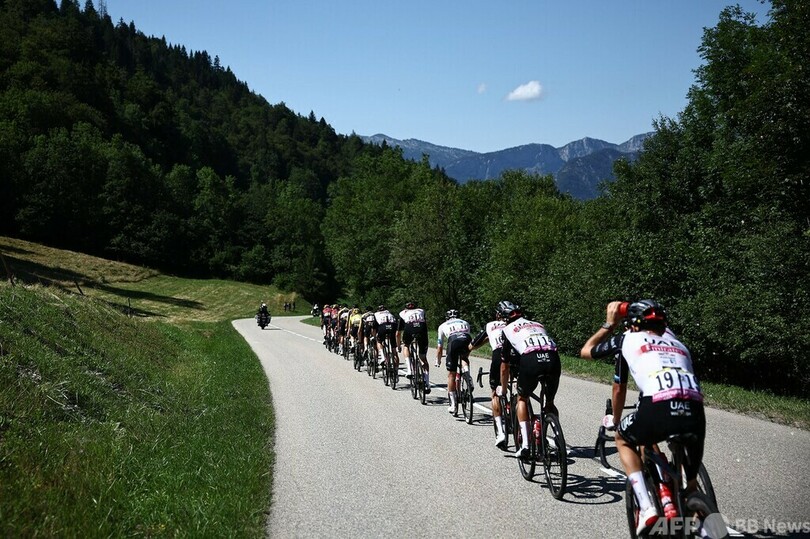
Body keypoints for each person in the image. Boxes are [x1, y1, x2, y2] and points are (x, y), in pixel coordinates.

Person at [580, 300, 706, 536]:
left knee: (623, 438)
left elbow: (586, 351)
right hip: (695, 408)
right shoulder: (678, 343)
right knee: (690, 489)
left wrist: (610, 324)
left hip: (658, 404)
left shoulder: (628, 337)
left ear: (634, 325)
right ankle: (704, 518)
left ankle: (647, 508)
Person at [498, 301, 561, 459]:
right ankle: (558, 440)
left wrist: (504, 389)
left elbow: (505, 365)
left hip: (531, 358)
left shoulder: (507, 330)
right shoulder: (538, 324)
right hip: (553, 358)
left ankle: (526, 445)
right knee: (549, 402)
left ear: (505, 319)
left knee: (522, 399)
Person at [469, 307, 508, 448]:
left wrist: (468, 350)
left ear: (497, 315)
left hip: (499, 355)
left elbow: (473, 344)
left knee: (495, 393)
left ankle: (500, 433)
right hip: (518, 355)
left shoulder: (490, 325)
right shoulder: (514, 324)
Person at [436, 309, 472, 416]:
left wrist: (438, 360)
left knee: (451, 374)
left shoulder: (442, 326)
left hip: (454, 341)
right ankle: (467, 375)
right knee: (464, 357)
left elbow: (440, 347)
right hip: (467, 339)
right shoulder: (465, 322)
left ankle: (453, 405)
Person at [396, 300, 431, 394]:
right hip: (422, 329)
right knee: (423, 358)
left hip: (409, 328)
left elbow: (398, 333)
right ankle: (427, 383)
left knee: (406, 346)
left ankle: (409, 370)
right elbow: (425, 323)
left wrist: (398, 345)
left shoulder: (403, 313)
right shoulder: (421, 311)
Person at [373, 305, 399, 371]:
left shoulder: (376, 314)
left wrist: (374, 336)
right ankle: (396, 370)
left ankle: (382, 357)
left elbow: (374, 328)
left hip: (383, 326)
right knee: (394, 349)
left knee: (379, 341)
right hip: (392, 327)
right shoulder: (390, 313)